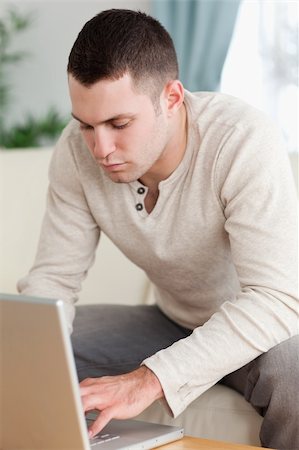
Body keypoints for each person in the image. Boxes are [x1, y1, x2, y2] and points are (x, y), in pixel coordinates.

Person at [18, 9, 298, 449]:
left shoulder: (242, 140)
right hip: (172, 320)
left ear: (171, 98)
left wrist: (149, 379)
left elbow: (277, 298)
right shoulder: (76, 153)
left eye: (119, 124)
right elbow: (54, 280)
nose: (100, 148)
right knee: (22, 355)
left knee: (295, 369)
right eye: (86, 125)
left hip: (268, 327)